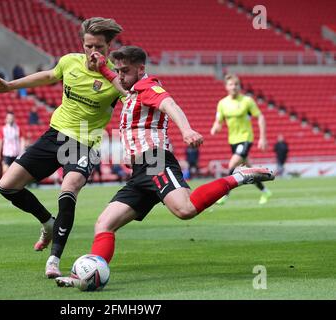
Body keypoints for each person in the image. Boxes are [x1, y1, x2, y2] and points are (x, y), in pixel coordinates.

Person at [55, 46, 275, 288]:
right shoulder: (131, 89)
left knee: (185, 209)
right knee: (104, 224)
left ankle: (239, 176)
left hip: (154, 160)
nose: (120, 76)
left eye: (125, 71)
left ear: (141, 69)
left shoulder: (148, 87)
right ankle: (88, 274)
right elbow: (117, 80)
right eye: (118, 71)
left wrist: (186, 129)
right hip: (139, 172)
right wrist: (105, 69)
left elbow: (169, 104)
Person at [0, 17, 123, 278]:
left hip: (84, 143)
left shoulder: (115, 77)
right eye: (89, 46)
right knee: (7, 186)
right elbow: (47, 76)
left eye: (99, 47)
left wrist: (105, 71)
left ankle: (54, 259)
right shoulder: (70, 62)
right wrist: (10, 86)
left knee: (69, 189)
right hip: (55, 136)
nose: (93, 52)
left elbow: (128, 94)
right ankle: (48, 223)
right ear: (82, 44)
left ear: (109, 47)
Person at [210, 73, 272, 205]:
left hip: (246, 138)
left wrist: (263, 137)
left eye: (236, 84)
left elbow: (260, 117)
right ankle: (265, 191)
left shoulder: (247, 101)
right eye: (231, 84)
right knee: (249, 170)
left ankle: (224, 194)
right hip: (233, 140)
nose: (234, 87)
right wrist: (215, 127)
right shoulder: (222, 103)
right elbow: (218, 121)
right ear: (226, 87)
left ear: (239, 86)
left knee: (232, 165)